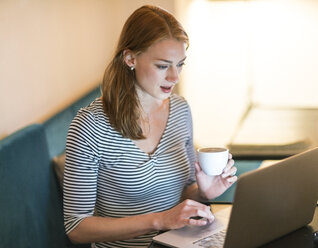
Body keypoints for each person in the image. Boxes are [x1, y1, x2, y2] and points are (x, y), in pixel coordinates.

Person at [63, 5, 237, 248]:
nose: (175, 77)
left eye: (180, 64)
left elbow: (183, 193)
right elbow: (76, 227)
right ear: (130, 58)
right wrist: (159, 220)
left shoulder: (180, 110)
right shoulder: (90, 126)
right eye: (163, 66)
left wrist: (203, 193)